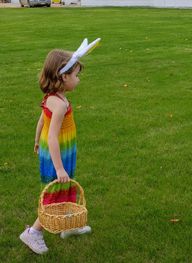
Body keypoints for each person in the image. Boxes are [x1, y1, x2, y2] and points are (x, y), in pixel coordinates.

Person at [19, 38, 100, 254]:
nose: (78, 79)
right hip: (58, 154)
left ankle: (69, 225)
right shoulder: (60, 104)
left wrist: (36, 141)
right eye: (76, 75)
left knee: (65, 187)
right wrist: (60, 168)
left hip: (55, 151)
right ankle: (33, 232)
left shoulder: (52, 97)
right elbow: (53, 136)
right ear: (63, 77)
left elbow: (40, 121)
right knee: (56, 192)